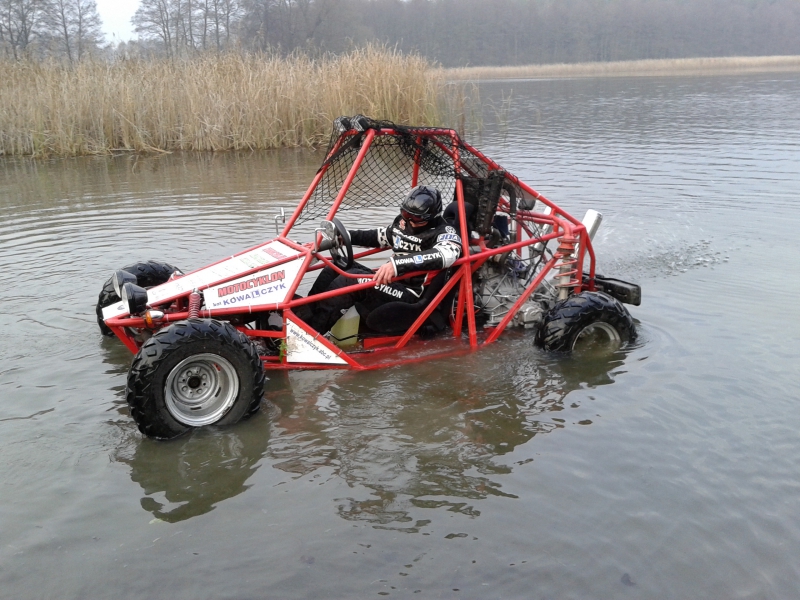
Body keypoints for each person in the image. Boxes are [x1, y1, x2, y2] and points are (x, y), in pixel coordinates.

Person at [301, 185, 462, 335]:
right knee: (334, 267)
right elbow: (380, 236)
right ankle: (303, 318)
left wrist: (397, 265)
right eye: (406, 214)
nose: (409, 220)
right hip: (390, 282)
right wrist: (343, 237)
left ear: (432, 217)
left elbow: (446, 255)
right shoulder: (403, 223)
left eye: (416, 217)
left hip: (410, 294)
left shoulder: (444, 232)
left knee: (350, 282)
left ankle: (311, 333)